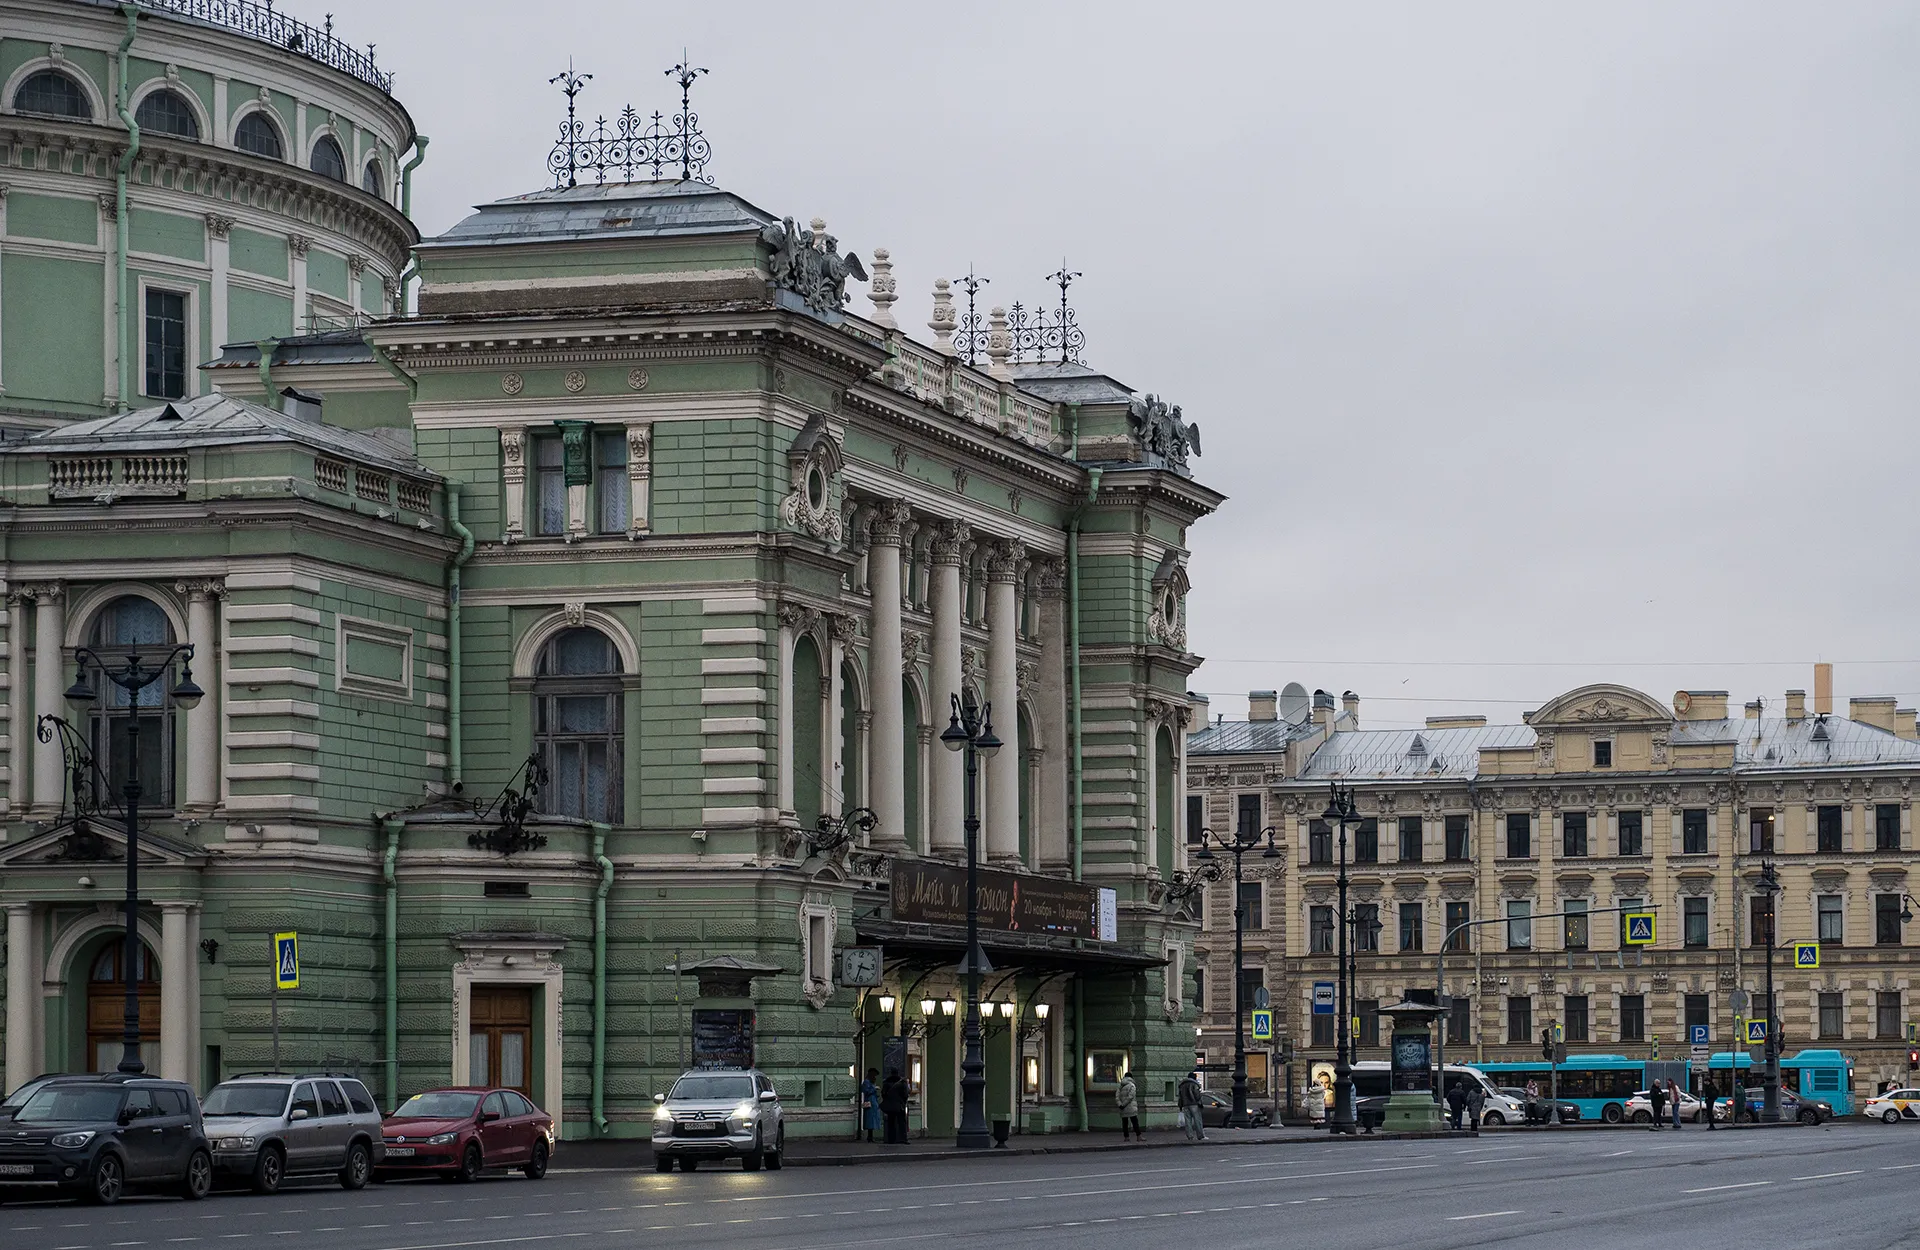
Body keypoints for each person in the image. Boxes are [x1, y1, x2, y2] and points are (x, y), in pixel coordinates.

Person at [880, 1068, 910, 1145]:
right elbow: (905, 1094)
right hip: (900, 1105)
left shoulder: (886, 1082)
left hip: (890, 1105)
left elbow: (883, 1093)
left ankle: (891, 1139)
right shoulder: (902, 1082)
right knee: (902, 1122)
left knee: (891, 1122)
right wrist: (903, 1101)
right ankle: (903, 1138)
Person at [1177, 1071, 1207, 1142]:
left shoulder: (1182, 1085)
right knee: (1197, 1120)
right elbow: (1197, 1095)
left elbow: (1180, 1097)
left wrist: (1180, 1105)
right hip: (1194, 1104)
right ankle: (1200, 1136)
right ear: (1194, 1078)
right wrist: (1199, 1100)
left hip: (1185, 1105)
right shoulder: (1194, 1084)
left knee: (1188, 1121)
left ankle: (1190, 1136)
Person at [1116, 1071, 1141, 1141]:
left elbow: (1117, 1097)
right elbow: (1131, 1096)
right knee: (1134, 1122)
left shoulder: (1120, 1086)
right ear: (1131, 1077)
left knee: (1125, 1123)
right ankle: (1139, 1136)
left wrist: (1120, 1105)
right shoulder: (1132, 1085)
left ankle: (1126, 1137)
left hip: (1123, 1108)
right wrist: (1124, 1104)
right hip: (1131, 1107)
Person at [860, 1068, 882, 1143]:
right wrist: (874, 1089)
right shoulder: (866, 1082)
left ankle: (870, 1136)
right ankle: (870, 1137)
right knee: (870, 1120)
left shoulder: (870, 1082)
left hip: (873, 1101)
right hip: (870, 1102)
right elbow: (866, 1091)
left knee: (873, 1120)